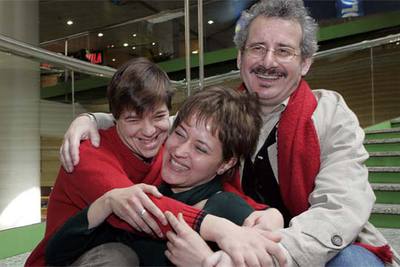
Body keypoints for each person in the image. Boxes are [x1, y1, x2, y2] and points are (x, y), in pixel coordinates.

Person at [58, 1, 400, 266]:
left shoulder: (330, 114)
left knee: (353, 261)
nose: (268, 61)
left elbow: (340, 208)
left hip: (303, 247)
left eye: (283, 50)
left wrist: (259, 252)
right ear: (240, 56)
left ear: (306, 62)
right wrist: (96, 119)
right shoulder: (218, 112)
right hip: (233, 234)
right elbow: (160, 125)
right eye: (257, 48)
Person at [27, 57, 286, 267]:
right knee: (119, 256)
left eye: (158, 117)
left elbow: (222, 193)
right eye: (133, 119)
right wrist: (220, 230)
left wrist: (268, 214)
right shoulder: (89, 153)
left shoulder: (165, 156)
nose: (149, 131)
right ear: (115, 118)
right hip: (67, 259)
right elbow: (139, 206)